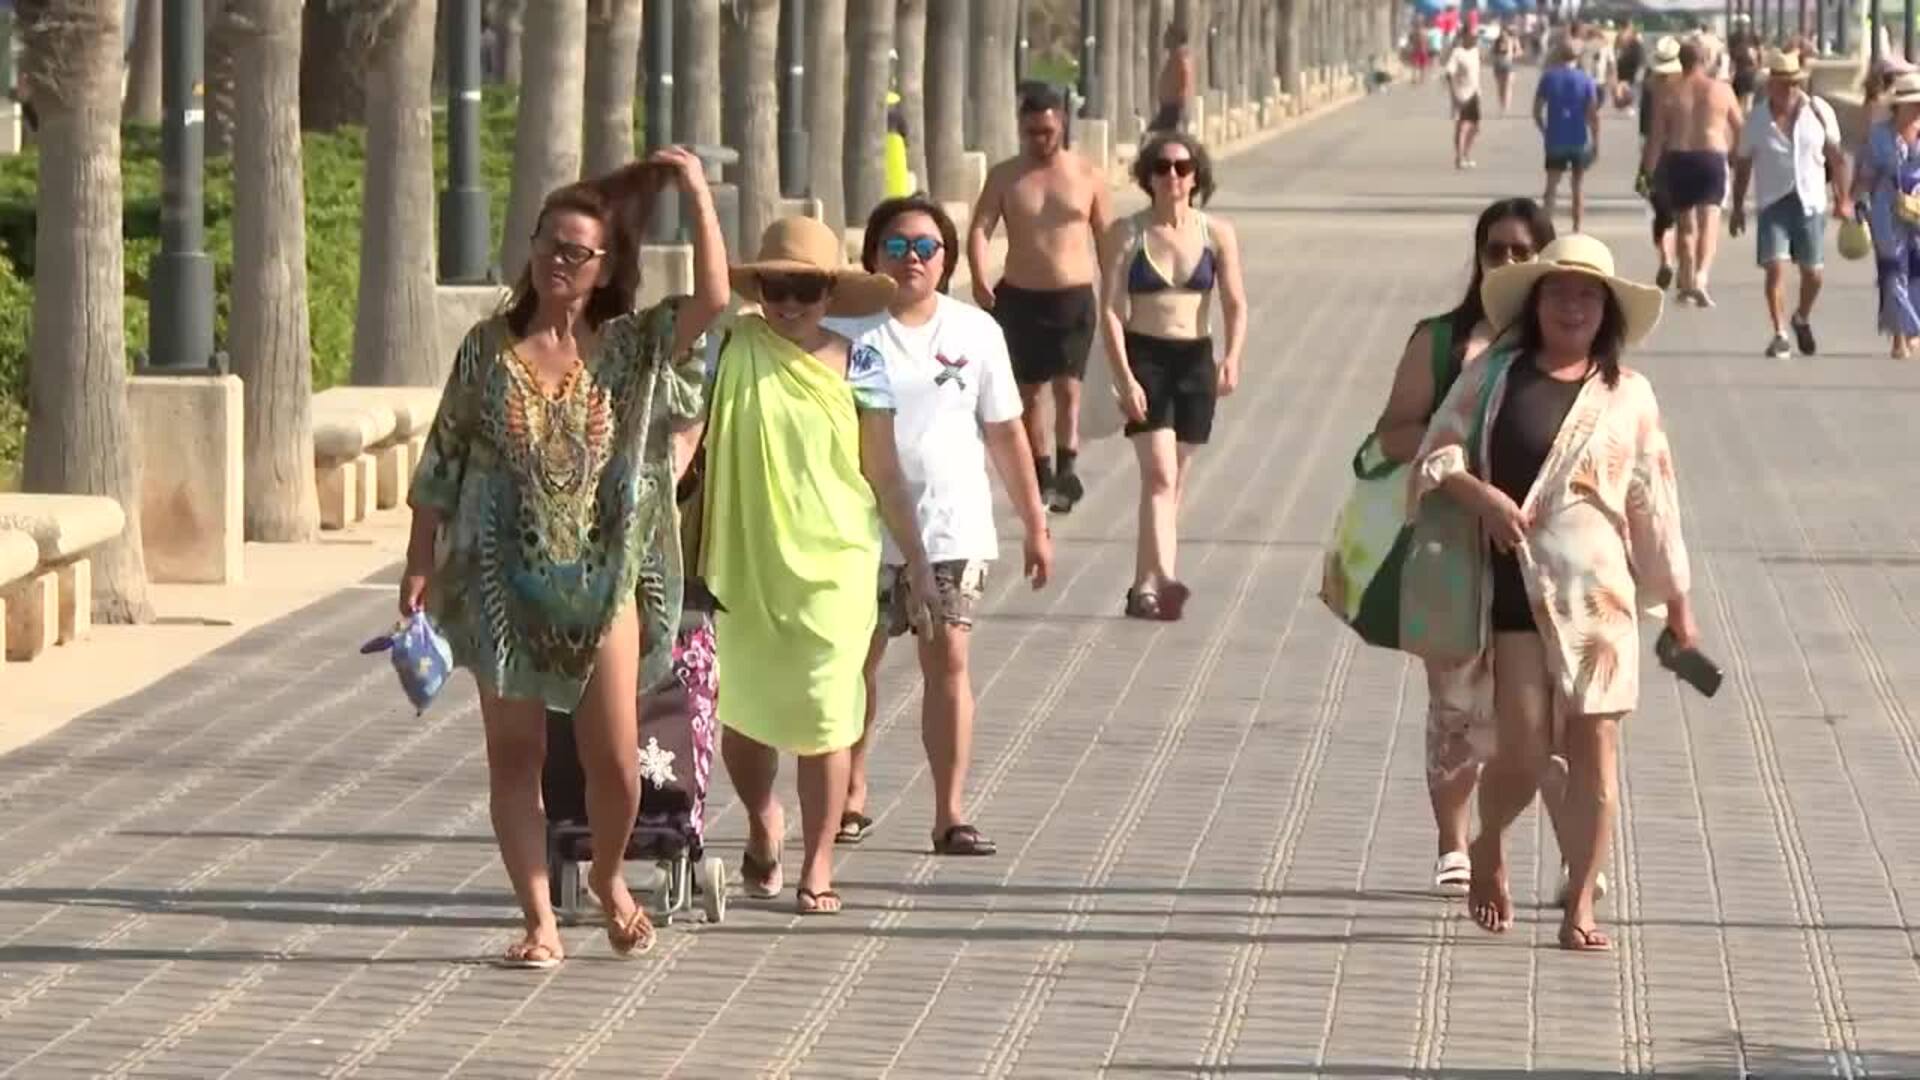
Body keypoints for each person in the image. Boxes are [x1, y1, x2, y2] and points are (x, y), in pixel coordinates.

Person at [402, 148, 727, 969]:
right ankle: (540, 922)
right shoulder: (486, 348)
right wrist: (417, 562)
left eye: (577, 250)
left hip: (602, 581)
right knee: (516, 758)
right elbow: (443, 458)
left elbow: (718, 299)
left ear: (605, 266)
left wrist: (692, 188)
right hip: (498, 588)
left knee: (616, 761)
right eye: (549, 242)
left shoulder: (626, 348)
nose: (558, 260)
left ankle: (611, 879)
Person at [1411, 234, 1696, 951]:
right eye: (1561, 293)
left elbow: (1653, 502)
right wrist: (1481, 497)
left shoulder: (1629, 395)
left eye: (1588, 296)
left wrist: (1678, 603)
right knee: (1526, 748)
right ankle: (1489, 843)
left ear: (1607, 312)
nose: (1574, 307)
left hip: (1600, 598)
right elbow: (1435, 454)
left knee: (1597, 746)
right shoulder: (1493, 377)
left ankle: (1581, 907)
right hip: (1513, 589)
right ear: (1537, 303)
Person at [702, 216, 934, 916]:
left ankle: (820, 862)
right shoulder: (733, 348)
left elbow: (884, 472)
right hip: (744, 557)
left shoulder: (861, 363)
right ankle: (762, 816)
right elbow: (703, 298)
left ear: (829, 293)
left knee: (830, 712)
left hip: (836, 559)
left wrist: (918, 560)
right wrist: (693, 195)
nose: (790, 302)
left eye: (805, 288)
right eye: (776, 286)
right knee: (739, 708)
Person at [832, 197, 1055, 856]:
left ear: (948, 259)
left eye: (926, 248)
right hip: (860, 525)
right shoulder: (845, 329)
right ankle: (850, 788)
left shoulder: (976, 331)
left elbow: (1005, 431)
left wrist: (1034, 522)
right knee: (854, 666)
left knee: (949, 660)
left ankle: (949, 811)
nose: (911, 260)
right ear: (872, 255)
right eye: (896, 247)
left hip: (951, 525)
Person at [1373, 199, 1571, 895]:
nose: (1510, 263)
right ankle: (1453, 844)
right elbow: (1394, 433)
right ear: (1479, 258)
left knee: (1548, 704)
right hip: (1454, 545)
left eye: (1525, 251)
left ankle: (1572, 854)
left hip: (1542, 551)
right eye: (1497, 250)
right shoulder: (1442, 339)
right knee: (1455, 701)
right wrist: (1453, 456)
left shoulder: (1572, 340)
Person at [1097, 133, 1246, 621]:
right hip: (1146, 359)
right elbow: (1110, 312)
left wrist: (1233, 356)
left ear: (1196, 175)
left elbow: (1235, 303)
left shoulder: (1216, 233)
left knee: (1172, 480)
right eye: (1162, 168)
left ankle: (1144, 585)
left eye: (1182, 168)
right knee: (1159, 473)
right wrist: (1124, 377)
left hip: (1195, 361)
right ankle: (1165, 579)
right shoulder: (1126, 233)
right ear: (1148, 176)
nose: (1173, 177)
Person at [969, 84, 1116, 516]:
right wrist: (979, 277)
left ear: (1062, 124)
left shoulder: (1087, 175)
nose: (1041, 140)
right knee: (1029, 394)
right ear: (1021, 127)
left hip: (1072, 296)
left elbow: (1105, 236)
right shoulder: (1004, 176)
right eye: (1032, 132)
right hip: (1020, 298)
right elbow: (981, 227)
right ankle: (1042, 470)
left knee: (1069, 388)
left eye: (1048, 131)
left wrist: (1114, 290)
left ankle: (1068, 466)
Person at [1730, 49, 1852, 360]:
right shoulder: (1757, 119)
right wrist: (1738, 206)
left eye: (1793, 83)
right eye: (1782, 83)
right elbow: (1743, 164)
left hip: (1810, 201)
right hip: (1773, 202)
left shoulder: (1819, 112)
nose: (1788, 89)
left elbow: (1837, 159)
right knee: (1775, 269)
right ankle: (1779, 333)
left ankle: (1801, 317)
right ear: (1770, 84)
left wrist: (1843, 199)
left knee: (1814, 274)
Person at [1643, 41, 1743, 309]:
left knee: (1686, 225)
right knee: (1709, 220)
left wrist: (1647, 173)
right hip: (1711, 157)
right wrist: (1732, 156)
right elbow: (1740, 128)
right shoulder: (1721, 90)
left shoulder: (1667, 91)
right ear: (1705, 60)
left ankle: (1685, 282)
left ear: (1680, 61)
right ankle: (1700, 277)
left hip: (1678, 158)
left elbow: (1655, 138)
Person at [1853, 71, 1920, 359]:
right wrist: (1858, 201)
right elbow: (1867, 173)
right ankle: (1899, 335)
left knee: (1916, 271)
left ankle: (1910, 331)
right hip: (1886, 207)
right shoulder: (1880, 134)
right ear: (1899, 105)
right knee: (1893, 272)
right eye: (1913, 103)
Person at [1535, 42, 1602, 234]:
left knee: (1551, 186)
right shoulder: (1586, 79)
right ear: (1578, 57)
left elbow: (1536, 110)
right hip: (1578, 139)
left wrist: (1544, 129)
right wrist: (1596, 142)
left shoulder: (1548, 78)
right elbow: (1593, 115)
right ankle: (1577, 229)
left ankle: (1546, 229)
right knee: (1578, 187)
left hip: (1555, 138)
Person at [1637, 36, 1684, 290]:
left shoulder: (1650, 87)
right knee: (1683, 215)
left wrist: (1644, 173)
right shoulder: (1688, 87)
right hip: (1685, 155)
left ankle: (1666, 257)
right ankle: (1689, 269)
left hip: (1657, 156)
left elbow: (1649, 135)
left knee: (1661, 215)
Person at [1444, 28, 1484, 170]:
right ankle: (1460, 157)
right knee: (1463, 127)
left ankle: (1466, 154)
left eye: (1476, 37)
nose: (1475, 39)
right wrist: (1453, 94)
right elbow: (1449, 73)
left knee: (1475, 128)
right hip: (1461, 93)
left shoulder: (1476, 51)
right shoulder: (1457, 53)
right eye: (1473, 36)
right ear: (1465, 36)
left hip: (1475, 93)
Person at [1151, 22, 1196, 132]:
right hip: (1167, 110)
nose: (1164, 39)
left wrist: (1181, 112)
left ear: (1175, 39)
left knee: (1150, 139)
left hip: (1174, 111)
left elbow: (1185, 84)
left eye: (1167, 36)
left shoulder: (1182, 58)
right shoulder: (1174, 58)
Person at [1492, 24, 1522, 115]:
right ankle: (1502, 106)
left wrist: (1514, 54)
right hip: (1498, 65)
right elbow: (1491, 53)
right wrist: (1495, 56)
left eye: (1504, 32)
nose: (1503, 33)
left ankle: (1506, 107)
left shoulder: (1513, 40)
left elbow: (1520, 51)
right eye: (1501, 32)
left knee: (1508, 86)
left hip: (1510, 65)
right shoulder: (1497, 41)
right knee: (1500, 88)